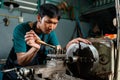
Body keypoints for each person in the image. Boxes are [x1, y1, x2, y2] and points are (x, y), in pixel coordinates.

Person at [2, 3, 61, 80]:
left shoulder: (49, 32)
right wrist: (35, 47)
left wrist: (69, 46)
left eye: (55, 23)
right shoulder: (21, 29)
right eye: (48, 22)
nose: (51, 27)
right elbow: (21, 61)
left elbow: (59, 51)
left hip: (31, 73)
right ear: (39, 18)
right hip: (14, 73)